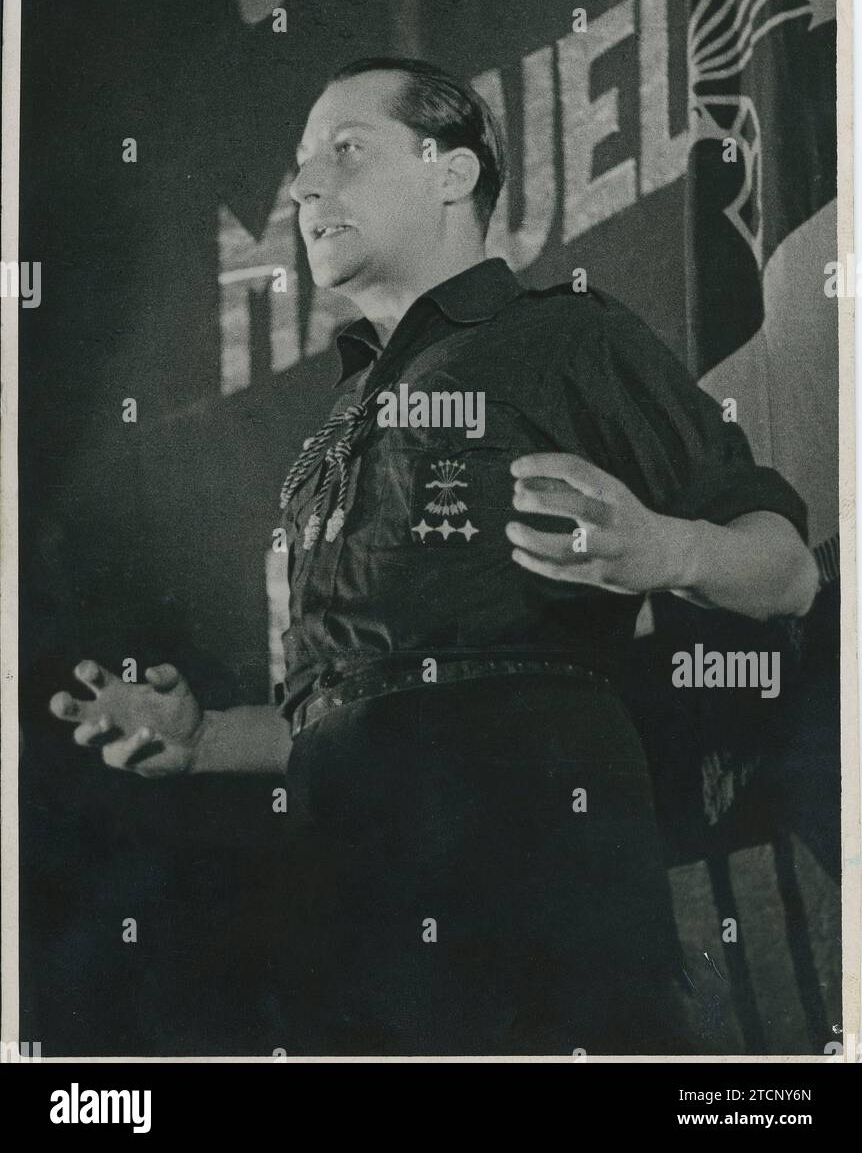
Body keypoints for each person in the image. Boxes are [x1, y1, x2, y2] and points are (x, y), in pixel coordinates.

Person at [51, 56, 818, 1056]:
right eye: (299, 165)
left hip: (524, 871)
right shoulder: (331, 431)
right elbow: (334, 717)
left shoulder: (562, 337)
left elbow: (787, 570)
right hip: (346, 906)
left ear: (452, 174)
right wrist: (204, 737)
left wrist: (664, 546)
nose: (303, 186)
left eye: (346, 152)